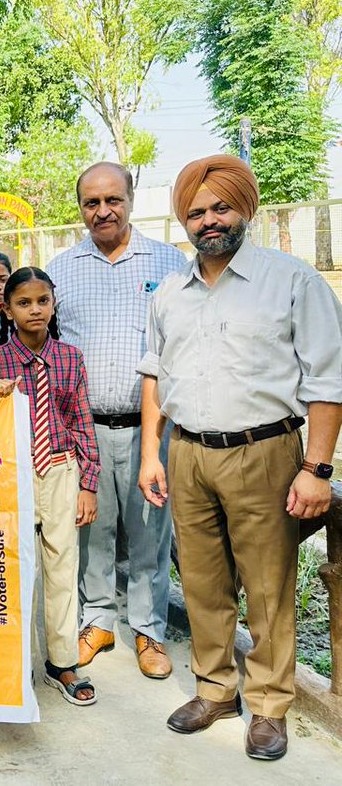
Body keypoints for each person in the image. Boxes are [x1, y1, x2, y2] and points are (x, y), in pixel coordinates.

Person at [138, 155, 342, 761]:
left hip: (266, 452)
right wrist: (153, 451)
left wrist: (317, 469)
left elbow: (327, 382)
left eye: (220, 207)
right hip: (188, 454)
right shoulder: (170, 291)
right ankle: (214, 690)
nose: (209, 221)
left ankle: (270, 705)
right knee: (200, 581)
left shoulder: (292, 280)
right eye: (196, 212)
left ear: (244, 208)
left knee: (269, 586)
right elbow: (155, 376)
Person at [47, 161, 188, 679]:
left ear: (131, 199)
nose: (103, 211)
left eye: (113, 200)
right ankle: (99, 620)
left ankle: (149, 631)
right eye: (91, 202)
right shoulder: (61, 270)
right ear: (80, 206)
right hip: (83, 429)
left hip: (150, 429)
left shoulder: (170, 262)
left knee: (150, 532)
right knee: (93, 531)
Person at [0, 267, 100, 706]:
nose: (34, 310)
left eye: (42, 301)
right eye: (24, 303)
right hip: (15, 471)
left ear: (53, 305)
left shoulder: (70, 357)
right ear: (6, 310)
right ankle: (18, 663)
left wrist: (89, 483)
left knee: (63, 565)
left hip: (62, 470)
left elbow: (82, 422)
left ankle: (61, 662)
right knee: (15, 569)